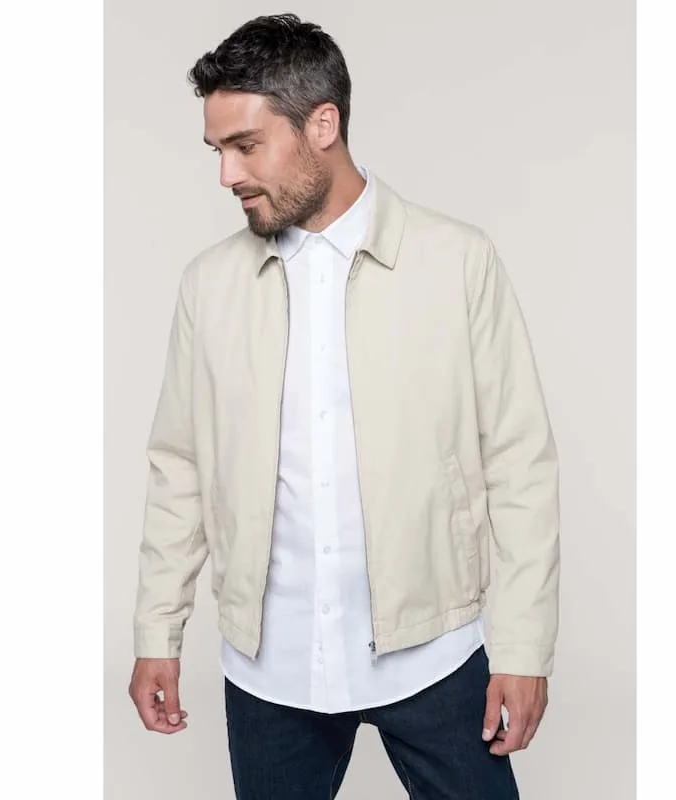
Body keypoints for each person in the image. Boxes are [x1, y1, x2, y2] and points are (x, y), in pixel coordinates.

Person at [128, 13, 560, 800]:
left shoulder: (457, 261)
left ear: (322, 125)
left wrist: (524, 647)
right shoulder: (209, 285)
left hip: (431, 655)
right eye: (216, 150)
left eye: (245, 145)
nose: (226, 175)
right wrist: (158, 632)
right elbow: (179, 467)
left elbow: (519, 461)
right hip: (270, 672)